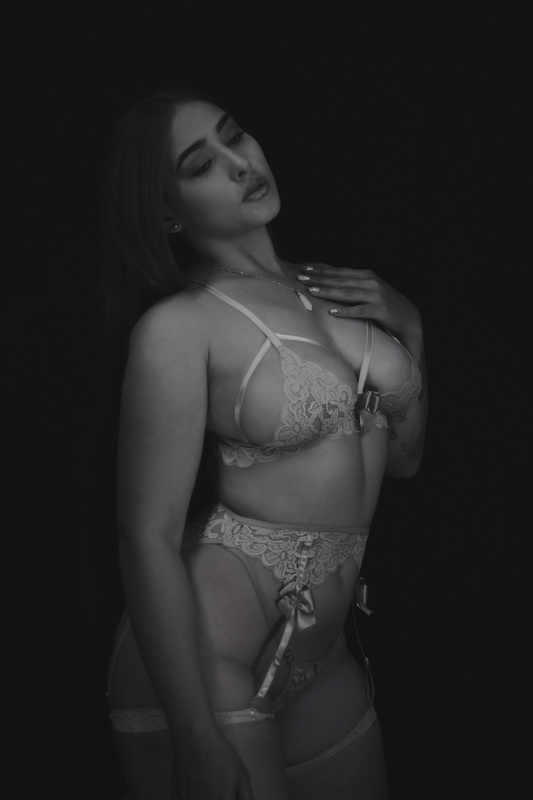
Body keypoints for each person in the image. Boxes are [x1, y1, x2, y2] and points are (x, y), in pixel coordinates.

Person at [102, 87, 427, 800]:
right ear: (165, 213)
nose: (240, 163)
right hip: (206, 654)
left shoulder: (332, 290)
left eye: (235, 135)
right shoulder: (179, 328)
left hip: (320, 651)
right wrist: (195, 735)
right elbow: (144, 537)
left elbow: (404, 463)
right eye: (201, 165)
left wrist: (412, 330)